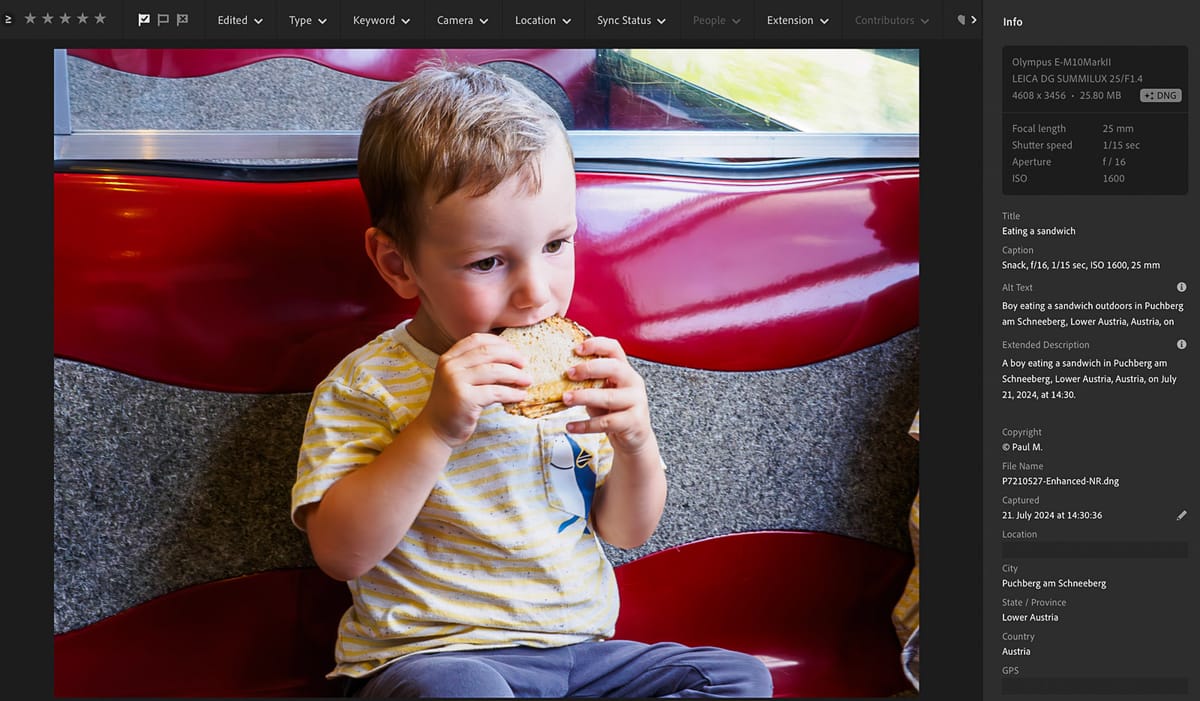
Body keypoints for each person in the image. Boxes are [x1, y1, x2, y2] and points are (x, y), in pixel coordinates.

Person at [290, 62, 774, 698]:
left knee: (737, 678)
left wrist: (635, 440)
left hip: (580, 654)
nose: (536, 294)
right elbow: (341, 554)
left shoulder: (579, 369)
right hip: (432, 658)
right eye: (489, 261)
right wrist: (435, 429)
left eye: (556, 244)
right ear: (397, 263)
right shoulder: (367, 385)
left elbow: (624, 532)